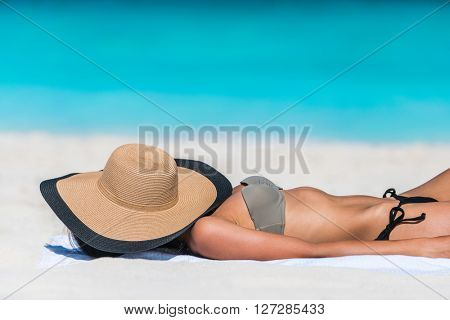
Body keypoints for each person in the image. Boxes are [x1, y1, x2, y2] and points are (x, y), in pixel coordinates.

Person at [41, 144, 450, 260]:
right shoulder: (207, 232)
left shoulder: (211, 216)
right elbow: (312, 251)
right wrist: (418, 248)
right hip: (404, 224)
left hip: (406, 200)